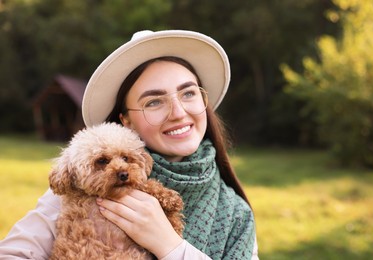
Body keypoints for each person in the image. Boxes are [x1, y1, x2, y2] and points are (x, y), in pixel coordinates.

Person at [0, 30, 258, 259]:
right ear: (127, 122)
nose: (178, 112)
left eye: (188, 93)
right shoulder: (81, 186)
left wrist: (170, 246)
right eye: (154, 101)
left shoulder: (236, 215)